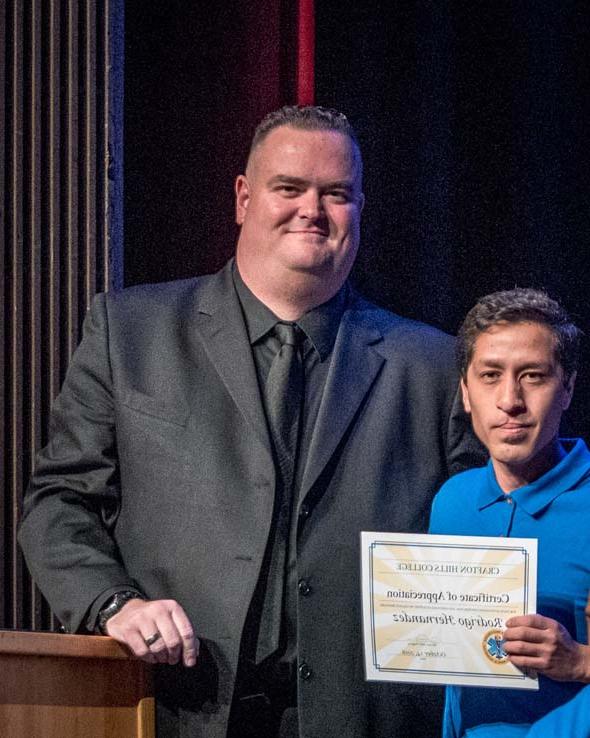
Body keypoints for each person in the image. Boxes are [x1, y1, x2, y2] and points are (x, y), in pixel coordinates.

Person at [19, 105, 482, 738]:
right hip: (178, 707)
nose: (311, 210)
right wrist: (114, 603)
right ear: (243, 197)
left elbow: (486, 534)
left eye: (336, 194)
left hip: (368, 717)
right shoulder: (129, 333)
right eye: (289, 188)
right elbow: (57, 505)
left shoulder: (434, 365)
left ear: (360, 208)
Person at [429, 288, 590, 737]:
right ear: (465, 392)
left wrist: (580, 662)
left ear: (568, 388)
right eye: (490, 375)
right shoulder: (452, 502)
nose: (509, 400)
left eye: (533, 376)